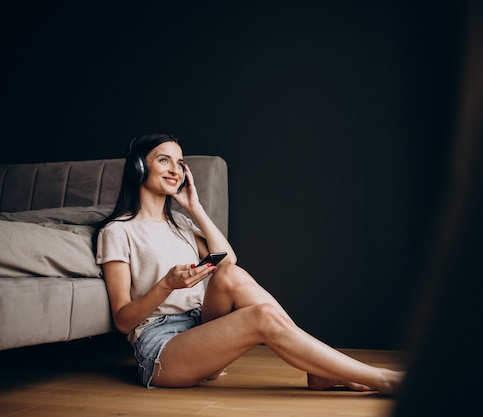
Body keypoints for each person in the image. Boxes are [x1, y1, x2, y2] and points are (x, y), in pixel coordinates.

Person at [94, 133, 404, 394]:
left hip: (198, 328)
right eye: (164, 160)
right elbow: (123, 320)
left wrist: (194, 207)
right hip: (161, 350)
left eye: (179, 162)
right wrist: (166, 286)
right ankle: (377, 378)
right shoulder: (118, 232)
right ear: (137, 168)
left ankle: (323, 370)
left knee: (233, 276)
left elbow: (228, 261)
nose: (175, 169)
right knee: (262, 316)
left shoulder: (183, 227)